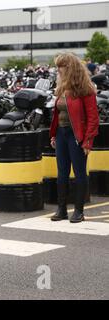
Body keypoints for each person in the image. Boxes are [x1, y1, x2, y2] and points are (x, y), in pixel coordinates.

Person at [50, 52, 99, 223]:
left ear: (70, 68)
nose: (58, 70)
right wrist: (53, 134)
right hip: (62, 134)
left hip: (77, 136)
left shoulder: (85, 88)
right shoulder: (62, 87)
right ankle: (61, 209)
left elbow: (93, 118)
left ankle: (79, 211)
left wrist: (88, 141)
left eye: (61, 66)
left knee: (79, 173)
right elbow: (58, 114)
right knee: (62, 173)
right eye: (58, 66)